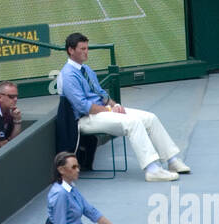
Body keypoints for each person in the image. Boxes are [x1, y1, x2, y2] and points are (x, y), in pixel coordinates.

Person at [60, 32, 187, 181]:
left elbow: (102, 94)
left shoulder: (86, 70)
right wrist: (109, 109)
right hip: (85, 119)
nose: (86, 52)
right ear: (71, 50)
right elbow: (84, 106)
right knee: (133, 123)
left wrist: (116, 105)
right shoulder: (68, 74)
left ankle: (172, 160)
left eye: (87, 48)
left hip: (101, 112)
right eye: (82, 49)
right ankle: (152, 169)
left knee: (150, 118)